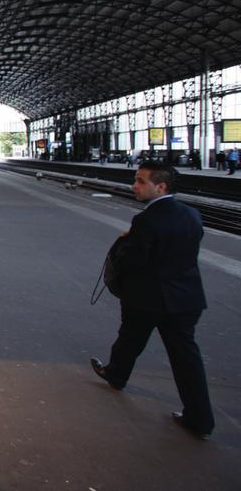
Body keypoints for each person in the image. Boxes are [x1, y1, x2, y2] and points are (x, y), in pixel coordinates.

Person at [90, 161, 214, 440]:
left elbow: (133, 261)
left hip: (147, 298)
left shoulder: (146, 220)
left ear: (161, 187)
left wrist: (124, 243)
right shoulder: (192, 215)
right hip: (186, 299)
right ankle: (200, 420)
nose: (135, 186)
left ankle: (116, 375)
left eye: (141, 181)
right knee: (186, 360)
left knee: (130, 338)